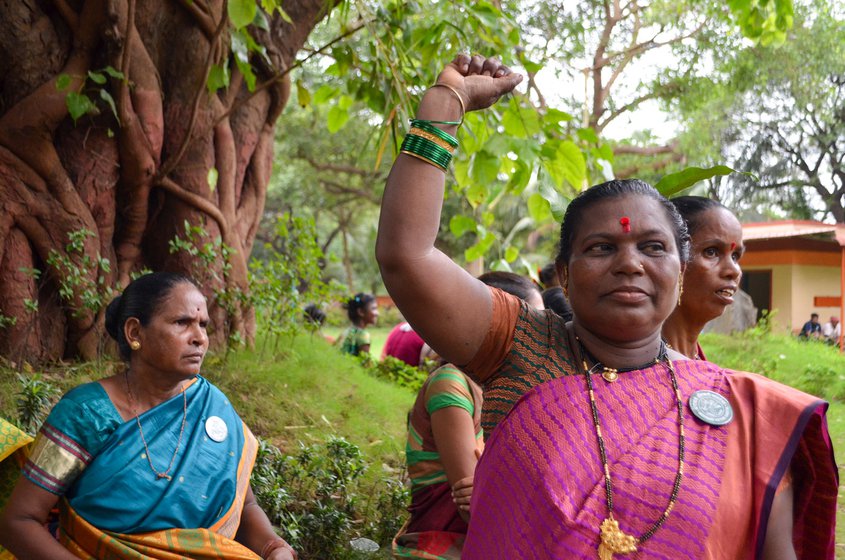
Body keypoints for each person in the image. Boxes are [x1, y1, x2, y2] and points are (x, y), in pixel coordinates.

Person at [376, 54, 837, 558]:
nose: (629, 263)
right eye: (601, 247)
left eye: (653, 247)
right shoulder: (522, 345)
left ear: (679, 274)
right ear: (566, 275)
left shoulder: (742, 412)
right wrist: (447, 101)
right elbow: (407, 255)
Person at [0, 272, 296, 560]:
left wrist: (273, 547)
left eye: (203, 325)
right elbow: (19, 522)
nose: (200, 338)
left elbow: (244, 505)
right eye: (183, 323)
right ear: (134, 333)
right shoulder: (86, 412)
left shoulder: (211, 405)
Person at [393, 271, 542, 560]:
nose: (544, 338)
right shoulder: (450, 384)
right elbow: (476, 509)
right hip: (443, 549)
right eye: (534, 325)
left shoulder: (509, 389)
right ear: (497, 322)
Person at [662, 196, 744, 360]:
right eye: (711, 252)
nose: (733, 271)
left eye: (735, 256)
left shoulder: (696, 359)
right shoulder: (628, 370)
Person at [336, 293, 378, 357]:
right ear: (361, 312)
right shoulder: (363, 336)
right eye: (373, 308)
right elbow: (364, 363)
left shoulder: (345, 332)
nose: (377, 313)